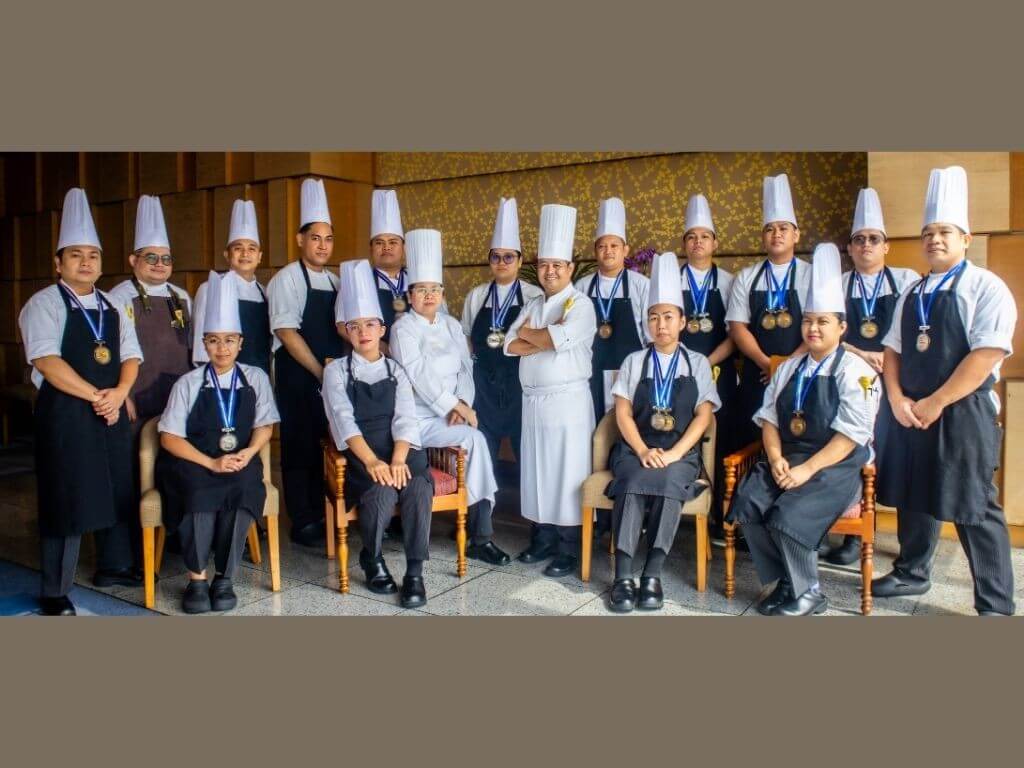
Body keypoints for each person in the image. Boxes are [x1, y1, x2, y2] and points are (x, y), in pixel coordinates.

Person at [873, 166, 1017, 616]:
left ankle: (995, 602)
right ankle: (912, 572)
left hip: (962, 410)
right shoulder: (912, 292)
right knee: (914, 492)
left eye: (945, 232)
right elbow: (892, 350)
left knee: (974, 502)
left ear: (965, 238)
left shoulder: (986, 287)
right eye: (928, 233)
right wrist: (896, 398)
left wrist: (936, 402)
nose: (935, 239)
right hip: (909, 408)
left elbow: (986, 354)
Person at [726, 243, 878, 616]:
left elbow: (850, 436)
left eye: (822, 322)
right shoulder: (788, 368)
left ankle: (810, 592)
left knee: (788, 515)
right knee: (748, 502)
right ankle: (786, 582)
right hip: (789, 457)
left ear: (842, 327)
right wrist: (776, 458)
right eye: (808, 321)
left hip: (836, 466)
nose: (813, 328)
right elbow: (769, 420)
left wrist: (806, 470)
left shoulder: (857, 372)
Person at [19, 188, 144, 615]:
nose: (86, 262)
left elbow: (131, 356)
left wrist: (120, 393)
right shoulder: (43, 304)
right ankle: (55, 591)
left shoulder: (114, 304)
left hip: (110, 411)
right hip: (67, 414)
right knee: (66, 497)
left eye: (93, 255)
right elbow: (47, 361)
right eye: (76, 255)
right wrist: (97, 396)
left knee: (115, 488)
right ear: (58, 263)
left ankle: (114, 566)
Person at [157, 271, 279, 613]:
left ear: (240, 343)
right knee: (196, 493)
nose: (221, 348)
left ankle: (224, 578)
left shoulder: (255, 378)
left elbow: (265, 425)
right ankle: (197, 579)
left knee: (244, 489)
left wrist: (249, 453)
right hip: (194, 460)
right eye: (213, 340)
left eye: (229, 340)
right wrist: (210, 462)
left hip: (240, 457)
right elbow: (168, 437)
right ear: (204, 343)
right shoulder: (188, 383)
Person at [605, 251, 719, 612]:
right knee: (632, 480)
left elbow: (703, 416)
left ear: (682, 321)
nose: (661, 324)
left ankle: (652, 574)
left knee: (670, 481)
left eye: (668, 316)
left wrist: (673, 454)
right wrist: (641, 450)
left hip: (679, 451)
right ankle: (623, 576)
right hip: (635, 447)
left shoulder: (697, 363)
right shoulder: (634, 361)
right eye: (653, 317)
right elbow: (622, 413)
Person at [390, 229, 510, 566]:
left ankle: (480, 535)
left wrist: (464, 404)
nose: (429, 295)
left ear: (442, 294)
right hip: (416, 420)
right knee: (474, 437)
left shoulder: (452, 325)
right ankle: (477, 534)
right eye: (421, 289)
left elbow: (466, 368)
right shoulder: (402, 329)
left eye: (434, 289)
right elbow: (417, 374)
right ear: (410, 294)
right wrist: (452, 405)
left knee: (475, 440)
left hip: (450, 414)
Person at [323, 259, 434, 608]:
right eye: (354, 326)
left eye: (370, 324)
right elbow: (343, 421)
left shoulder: (396, 370)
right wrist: (372, 461)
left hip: (401, 449)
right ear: (347, 331)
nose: (363, 332)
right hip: (362, 454)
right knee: (382, 494)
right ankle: (371, 557)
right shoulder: (336, 372)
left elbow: (406, 418)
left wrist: (399, 459)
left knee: (418, 487)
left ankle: (414, 573)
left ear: (382, 328)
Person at [820, 188, 919, 565]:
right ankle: (853, 537)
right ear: (849, 248)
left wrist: (887, 358)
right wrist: (863, 354)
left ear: (886, 246)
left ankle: (908, 546)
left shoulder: (907, 280)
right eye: (858, 240)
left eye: (873, 239)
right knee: (853, 454)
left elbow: (917, 331)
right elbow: (825, 334)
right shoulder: (838, 285)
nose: (865, 246)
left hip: (897, 385)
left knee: (898, 460)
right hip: (847, 381)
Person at [504, 204, 597, 577]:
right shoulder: (533, 303)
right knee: (537, 471)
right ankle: (541, 539)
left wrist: (532, 334)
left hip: (567, 403)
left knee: (567, 474)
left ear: (570, 268)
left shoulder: (582, 305)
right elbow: (509, 345)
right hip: (533, 402)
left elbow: (548, 340)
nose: (550, 271)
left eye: (557, 264)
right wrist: (538, 337)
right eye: (544, 264)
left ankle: (568, 548)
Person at [108, 195, 194, 564]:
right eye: (151, 258)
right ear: (133, 260)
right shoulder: (117, 297)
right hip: (136, 398)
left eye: (166, 259)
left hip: (175, 398)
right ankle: (130, 549)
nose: (160, 265)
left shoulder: (181, 296)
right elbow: (112, 349)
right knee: (132, 471)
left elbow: (195, 347)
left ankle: (173, 535)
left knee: (173, 466)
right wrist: (122, 391)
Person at [268, 178, 348, 547]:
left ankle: (328, 513)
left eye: (328, 239)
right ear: (300, 239)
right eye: (315, 238)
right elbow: (287, 332)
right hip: (298, 377)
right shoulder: (286, 279)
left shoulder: (335, 281)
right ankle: (303, 520)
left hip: (330, 376)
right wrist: (320, 371)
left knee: (329, 444)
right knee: (299, 446)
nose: (322, 245)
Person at [727, 174, 812, 448]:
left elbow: (820, 324)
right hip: (757, 375)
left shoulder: (812, 275)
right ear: (763, 237)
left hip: (802, 371)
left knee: (797, 438)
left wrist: (786, 365)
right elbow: (737, 327)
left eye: (783, 228)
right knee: (751, 442)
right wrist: (767, 363)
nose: (777, 234)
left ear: (796, 234)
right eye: (770, 229)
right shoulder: (747, 277)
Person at [460, 197, 543, 468]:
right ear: (490, 261)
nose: (502, 262)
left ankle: (527, 496)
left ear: (519, 261)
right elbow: (466, 339)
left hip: (520, 383)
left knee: (527, 452)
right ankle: (484, 497)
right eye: (496, 257)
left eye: (509, 257)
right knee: (483, 455)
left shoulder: (534, 295)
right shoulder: (476, 296)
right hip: (483, 385)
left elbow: (540, 340)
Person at [678, 194, 737, 534]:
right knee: (676, 432)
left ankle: (719, 515)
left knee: (721, 438)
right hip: (677, 373)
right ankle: (678, 507)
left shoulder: (730, 282)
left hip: (719, 372)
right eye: (691, 236)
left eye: (704, 236)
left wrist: (706, 363)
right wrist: (687, 365)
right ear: (684, 244)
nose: (697, 242)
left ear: (715, 243)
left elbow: (735, 333)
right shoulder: (671, 280)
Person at [574, 197, 649, 423]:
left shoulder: (641, 285)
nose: (608, 251)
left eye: (614, 245)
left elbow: (651, 335)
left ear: (625, 250)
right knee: (591, 429)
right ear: (595, 250)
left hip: (631, 373)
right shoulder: (581, 287)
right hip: (590, 374)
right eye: (602, 246)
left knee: (628, 428)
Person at [193, 200, 272, 373]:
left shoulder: (266, 293)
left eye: (252, 249)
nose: (245, 254)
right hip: (222, 379)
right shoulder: (210, 289)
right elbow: (200, 348)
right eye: (238, 248)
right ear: (227, 255)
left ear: (259, 256)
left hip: (260, 377)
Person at [368, 189, 409, 348]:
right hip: (376, 358)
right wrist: (385, 349)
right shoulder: (361, 279)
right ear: (371, 248)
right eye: (379, 243)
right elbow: (344, 326)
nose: (386, 247)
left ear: (403, 248)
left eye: (393, 242)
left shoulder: (417, 280)